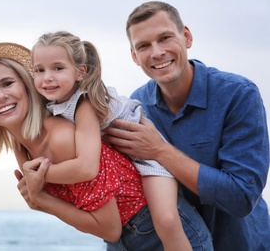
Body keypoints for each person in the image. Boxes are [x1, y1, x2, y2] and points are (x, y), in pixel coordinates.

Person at [0, 42, 213, 250]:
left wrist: (40, 197)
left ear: (27, 87)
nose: (0, 96)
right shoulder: (22, 147)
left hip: (157, 233)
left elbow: (108, 226)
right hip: (124, 241)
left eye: (7, 83)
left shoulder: (62, 138)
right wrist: (39, 197)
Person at [102, 1, 270, 251]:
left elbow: (241, 198)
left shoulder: (239, 94)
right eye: (144, 46)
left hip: (241, 244)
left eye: (165, 38)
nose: (157, 52)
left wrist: (159, 150)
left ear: (187, 37)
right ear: (134, 56)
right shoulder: (135, 106)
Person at [30, 30, 202, 250]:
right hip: (130, 160)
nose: (47, 77)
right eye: (39, 70)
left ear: (81, 72)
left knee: (167, 220)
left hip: (148, 159)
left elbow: (87, 167)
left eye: (58, 68)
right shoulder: (54, 107)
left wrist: (40, 177)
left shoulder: (84, 104)